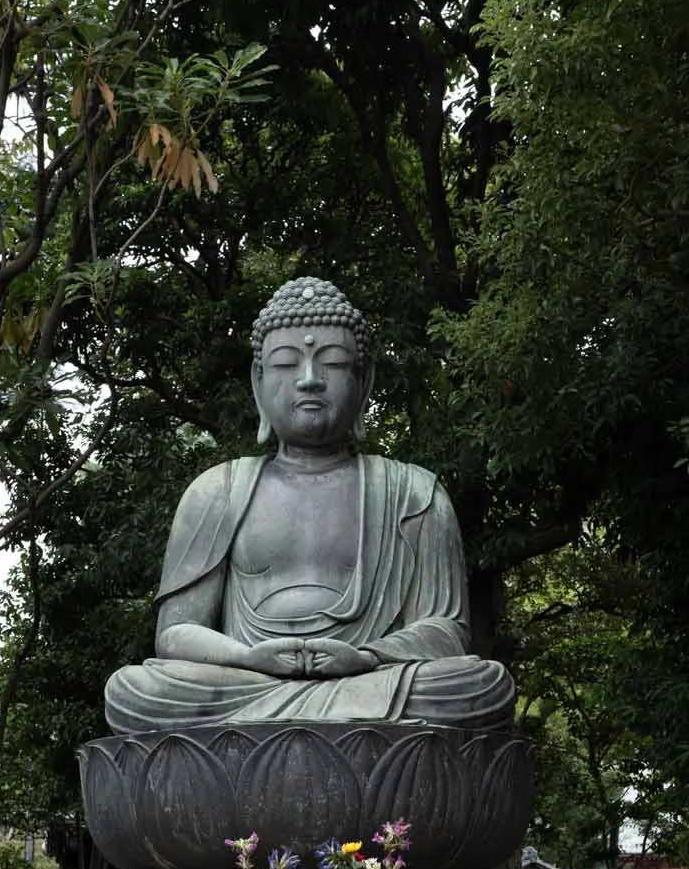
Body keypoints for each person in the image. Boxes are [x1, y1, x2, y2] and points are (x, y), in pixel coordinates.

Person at [103, 277, 515, 731]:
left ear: (364, 380)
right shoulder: (216, 491)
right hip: (247, 682)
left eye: (334, 363)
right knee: (135, 690)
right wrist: (249, 657)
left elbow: (445, 633)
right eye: (285, 364)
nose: (310, 380)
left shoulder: (414, 494)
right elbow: (175, 634)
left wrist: (364, 656)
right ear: (258, 385)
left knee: (476, 684)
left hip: (371, 681)